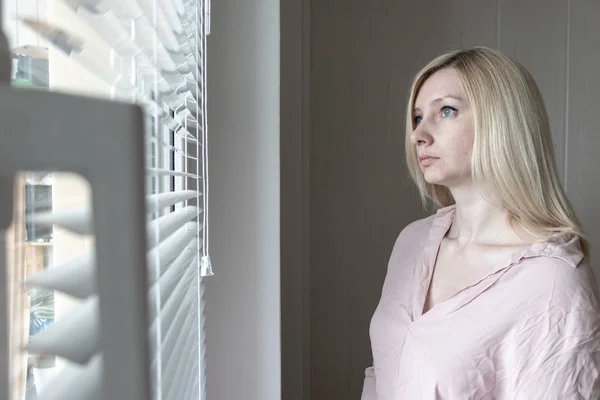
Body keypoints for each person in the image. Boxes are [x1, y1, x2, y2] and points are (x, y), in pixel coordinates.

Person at [361, 47, 600, 400]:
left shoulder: (551, 281)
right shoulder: (412, 243)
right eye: (416, 118)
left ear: (501, 121)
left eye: (446, 110)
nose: (418, 135)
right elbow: (382, 375)